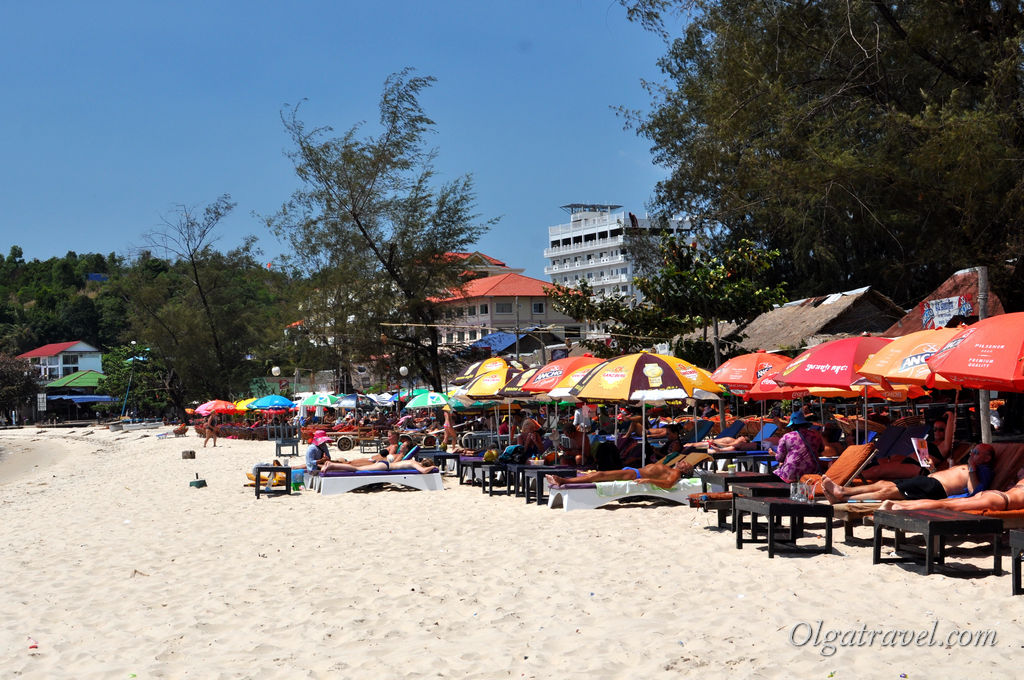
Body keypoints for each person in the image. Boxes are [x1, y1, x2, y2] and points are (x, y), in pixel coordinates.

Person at [821, 444, 995, 503]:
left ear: (987, 458)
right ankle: (843, 490)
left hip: (936, 489)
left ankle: (843, 496)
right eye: (973, 451)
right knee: (883, 483)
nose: (972, 454)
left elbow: (975, 492)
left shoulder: (984, 470)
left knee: (889, 492)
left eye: (977, 452)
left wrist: (972, 468)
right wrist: (932, 469)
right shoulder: (969, 464)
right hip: (929, 480)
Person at [880, 462, 1024, 512]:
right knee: (947, 506)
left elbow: (1019, 473)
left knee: (945, 503)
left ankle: (895, 504)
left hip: (995, 495)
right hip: (1001, 501)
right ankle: (902, 508)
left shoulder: (1020, 477)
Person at [545, 456, 696, 490]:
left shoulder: (675, 474)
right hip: (633, 472)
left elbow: (669, 484)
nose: (682, 461)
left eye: (685, 463)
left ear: (684, 470)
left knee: (600, 475)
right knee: (600, 474)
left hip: (635, 475)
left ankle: (564, 481)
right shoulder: (670, 467)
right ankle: (565, 480)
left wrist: (648, 480)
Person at [772, 412, 825, 483]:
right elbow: (821, 449)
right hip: (812, 471)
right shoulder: (816, 434)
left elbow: (779, 458)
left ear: (792, 425)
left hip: (792, 472)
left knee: (777, 471)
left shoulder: (787, 436)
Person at [319, 456, 437, 474]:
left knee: (357, 468)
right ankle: (331, 465)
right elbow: (423, 471)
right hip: (385, 467)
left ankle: (332, 465)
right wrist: (434, 468)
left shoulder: (412, 460)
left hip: (385, 464)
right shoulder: (414, 463)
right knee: (356, 469)